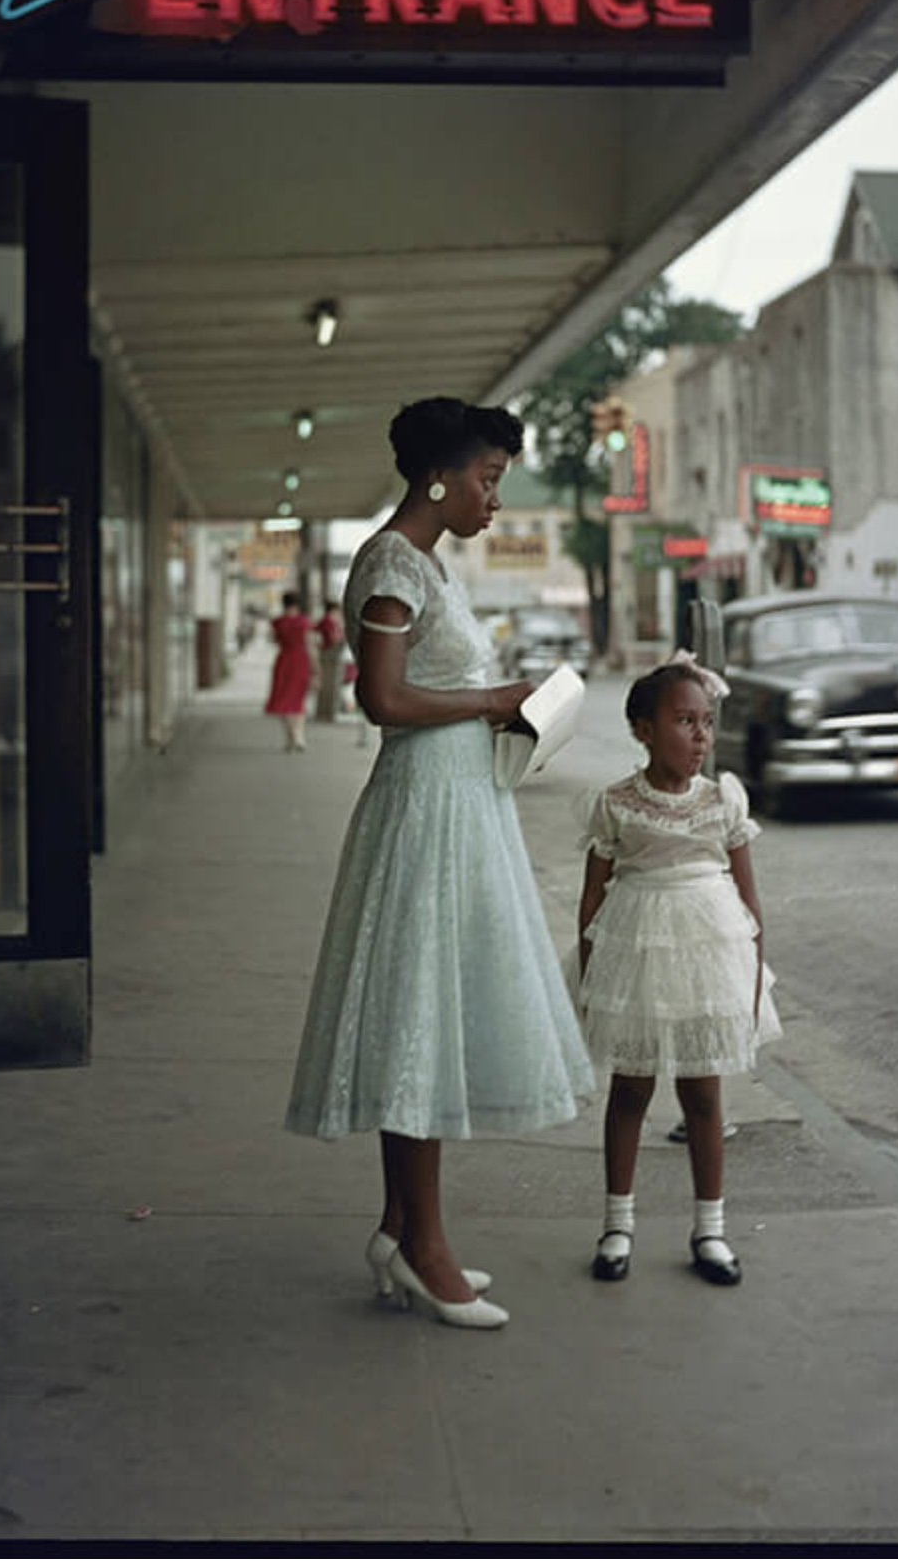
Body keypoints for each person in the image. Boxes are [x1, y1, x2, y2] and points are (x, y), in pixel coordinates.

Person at [285, 397, 594, 1330]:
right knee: (419, 1014)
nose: (495, 499)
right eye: (488, 479)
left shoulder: (426, 566)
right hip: (426, 806)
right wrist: (495, 695)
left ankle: (399, 1227)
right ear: (439, 477)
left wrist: (504, 709)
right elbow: (380, 699)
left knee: (431, 1014)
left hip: (461, 801)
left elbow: (428, 684)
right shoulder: (391, 562)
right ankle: (425, 1246)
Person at [571, 655, 783, 1288]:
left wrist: (750, 980)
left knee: (702, 1095)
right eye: (684, 721)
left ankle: (710, 1228)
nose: (700, 737)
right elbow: (592, 899)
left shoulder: (722, 802)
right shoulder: (616, 805)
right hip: (636, 954)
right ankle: (617, 1223)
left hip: (707, 958)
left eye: (707, 722)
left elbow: (748, 904)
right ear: (643, 729)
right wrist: (591, 982)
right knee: (630, 1090)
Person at [265, 591, 315, 751]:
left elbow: (272, 640)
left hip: (284, 660)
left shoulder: (278, 622)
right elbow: (310, 645)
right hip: (301, 661)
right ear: (298, 604)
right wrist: (315, 667)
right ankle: (298, 737)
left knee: (283, 701)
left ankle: (291, 738)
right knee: (298, 701)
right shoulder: (304, 622)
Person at [313, 600, 346, 724]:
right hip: (331, 654)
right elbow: (333, 638)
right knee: (330, 685)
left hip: (327, 654)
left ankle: (325, 712)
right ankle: (328, 714)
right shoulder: (329, 621)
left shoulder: (327, 621)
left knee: (329, 685)